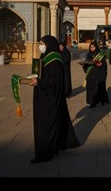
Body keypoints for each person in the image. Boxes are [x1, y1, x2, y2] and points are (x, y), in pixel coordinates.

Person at [28, 35, 80, 164]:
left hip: (49, 99)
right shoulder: (45, 57)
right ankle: (54, 146)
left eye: (42, 44)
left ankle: (44, 154)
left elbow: (54, 81)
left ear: (49, 45)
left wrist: (39, 83)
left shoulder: (55, 60)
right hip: (43, 96)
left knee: (44, 126)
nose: (41, 46)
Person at [84, 41, 109, 108]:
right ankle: (92, 102)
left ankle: (102, 100)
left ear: (96, 47)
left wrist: (101, 64)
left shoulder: (100, 54)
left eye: (93, 47)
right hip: (91, 74)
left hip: (98, 74)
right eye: (90, 47)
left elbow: (104, 64)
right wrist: (84, 65)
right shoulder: (88, 54)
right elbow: (86, 64)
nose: (92, 48)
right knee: (91, 88)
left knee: (99, 87)